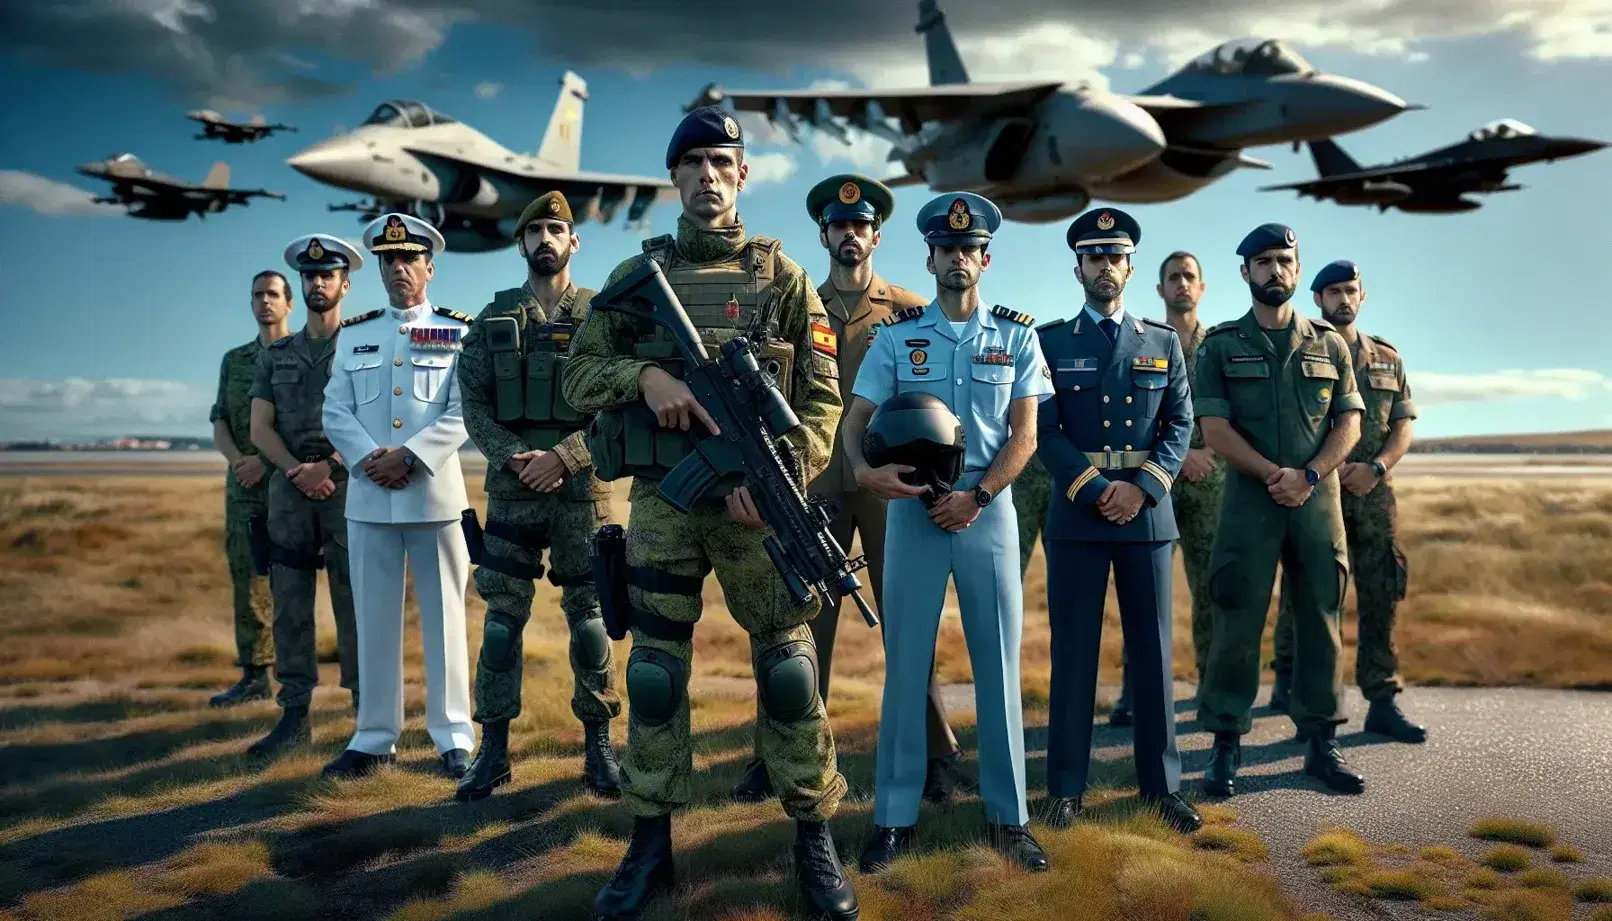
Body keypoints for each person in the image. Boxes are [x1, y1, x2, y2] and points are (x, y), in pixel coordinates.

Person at [562, 106, 857, 921]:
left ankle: (814, 835)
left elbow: (825, 401)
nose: (706, 175)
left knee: (790, 670)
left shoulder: (784, 276)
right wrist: (644, 381)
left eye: (720, 161)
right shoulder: (636, 276)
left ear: (742, 175)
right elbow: (577, 380)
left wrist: (778, 477)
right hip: (665, 501)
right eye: (690, 162)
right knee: (654, 673)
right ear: (675, 179)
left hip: (760, 508)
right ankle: (650, 840)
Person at [728, 172, 963, 807]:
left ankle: (936, 753)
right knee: (799, 628)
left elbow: (941, 406)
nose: (851, 234)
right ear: (825, 233)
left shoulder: (914, 310)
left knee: (905, 622)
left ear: (876, 236)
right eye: (840, 226)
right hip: (812, 487)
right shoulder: (794, 306)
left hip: (894, 488)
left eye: (861, 227)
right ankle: (777, 756)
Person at [843, 191, 1054, 874]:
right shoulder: (898, 337)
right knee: (906, 668)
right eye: (946, 248)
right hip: (913, 516)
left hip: (987, 517)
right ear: (930, 257)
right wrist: (859, 469)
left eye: (970, 249)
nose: (958, 258)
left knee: (997, 667)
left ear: (984, 258)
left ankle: (1009, 818)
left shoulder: (1017, 336)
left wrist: (979, 494)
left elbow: (1025, 434)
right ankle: (893, 818)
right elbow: (858, 416)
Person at [1034, 208, 1202, 834]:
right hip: (1078, 515)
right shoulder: (1048, 342)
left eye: (1116, 257)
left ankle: (1162, 788)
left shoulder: (1163, 342)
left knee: (1154, 656)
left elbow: (1179, 426)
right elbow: (1044, 431)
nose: (1105, 266)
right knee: (1073, 654)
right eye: (1093, 256)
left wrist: (1144, 490)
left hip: (1146, 519)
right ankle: (1066, 790)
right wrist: (1095, 487)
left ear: (1131, 267)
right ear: (1077, 267)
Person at [453, 191, 623, 802]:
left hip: (584, 491)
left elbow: (617, 400)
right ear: (521, 244)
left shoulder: (604, 317)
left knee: (591, 625)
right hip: (513, 490)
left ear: (574, 241)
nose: (546, 239)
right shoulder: (493, 319)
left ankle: (600, 750)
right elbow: (472, 402)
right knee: (501, 625)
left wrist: (565, 457)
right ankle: (492, 754)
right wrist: (513, 458)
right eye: (535, 232)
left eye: (557, 229)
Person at [1193, 223, 1367, 798]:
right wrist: (1274, 475)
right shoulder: (1220, 345)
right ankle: (1225, 743)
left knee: (1322, 616)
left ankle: (1321, 741)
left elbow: (1349, 422)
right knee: (1237, 616)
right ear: (1245, 272)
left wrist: (1311, 475)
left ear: (1297, 270)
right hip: (1250, 500)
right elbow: (1214, 430)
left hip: (1317, 502)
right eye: (1263, 261)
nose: (1275, 270)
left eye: (1284, 261)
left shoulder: (1329, 343)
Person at [321, 212, 475, 780]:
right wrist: (368, 459)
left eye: (409, 259)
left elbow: (463, 411)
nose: (398, 269)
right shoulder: (355, 334)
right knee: (374, 619)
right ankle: (373, 737)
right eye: (389, 261)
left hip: (432, 497)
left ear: (429, 267)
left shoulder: (458, 331)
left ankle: (454, 736)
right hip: (368, 496)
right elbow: (334, 409)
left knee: (444, 620)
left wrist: (409, 455)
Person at [1269, 261, 1424, 742]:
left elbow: (1402, 426)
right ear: (1317, 298)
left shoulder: (1386, 358)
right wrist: (1329, 470)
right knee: (1309, 595)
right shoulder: (1303, 348)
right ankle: (1295, 688)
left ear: (1362, 295)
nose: (1342, 299)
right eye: (1332, 291)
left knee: (1381, 594)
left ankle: (1381, 698)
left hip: (1373, 496)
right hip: (1319, 492)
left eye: (1350, 290)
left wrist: (1376, 468)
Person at [244, 242, 363, 757]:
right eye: (310, 276)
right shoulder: (278, 354)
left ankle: (367, 717)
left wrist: (330, 467)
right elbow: (258, 428)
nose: (317, 284)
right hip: (290, 495)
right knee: (289, 605)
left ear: (345, 284)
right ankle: (294, 717)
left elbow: (375, 421)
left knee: (356, 605)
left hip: (348, 489)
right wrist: (297, 471)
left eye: (327, 275)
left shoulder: (364, 347)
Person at [206, 271, 288, 707]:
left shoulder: (304, 353)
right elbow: (220, 419)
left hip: (290, 486)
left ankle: (298, 679)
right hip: (244, 489)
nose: (264, 302)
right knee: (248, 580)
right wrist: (238, 461)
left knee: (292, 584)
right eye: (257, 294)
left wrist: (265, 460)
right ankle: (255, 676)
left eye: (273, 294)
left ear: (288, 303)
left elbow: (308, 424)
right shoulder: (235, 360)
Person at [1158, 250, 1226, 684]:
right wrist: (1180, 456)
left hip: (1211, 483)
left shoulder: (1221, 347)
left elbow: (1239, 412)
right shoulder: (1143, 340)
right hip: (1156, 483)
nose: (1182, 283)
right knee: (1147, 594)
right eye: (1173, 277)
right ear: (1161, 289)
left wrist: (1211, 456)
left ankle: (1212, 682)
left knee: (1211, 590)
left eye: (1189, 277)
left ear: (1201, 288)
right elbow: (1134, 415)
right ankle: (1138, 688)